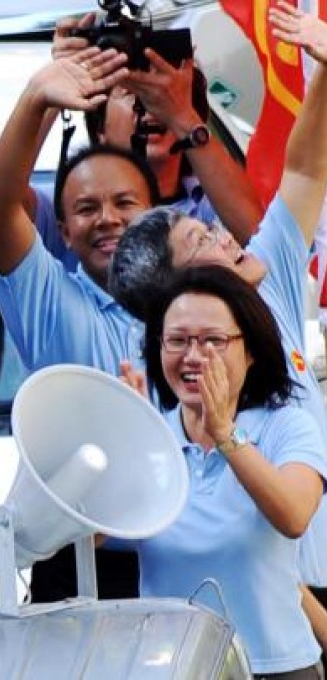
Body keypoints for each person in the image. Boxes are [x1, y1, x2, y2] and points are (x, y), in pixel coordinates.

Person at [108, 1, 327, 595]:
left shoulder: (265, 275)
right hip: (266, 594)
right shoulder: (179, 388)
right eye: (202, 239)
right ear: (175, 299)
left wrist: (324, 68)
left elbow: (305, 171)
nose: (226, 235)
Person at [0, 47, 153, 602]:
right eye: (86, 209)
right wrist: (37, 101)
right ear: (64, 228)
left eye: (125, 202)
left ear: (155, 213)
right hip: (78, 561)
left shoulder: (191, 306)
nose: (107, 219)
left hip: (176, 558)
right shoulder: (49, 300)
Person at [125, 265, 325, 678]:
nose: (194, 356)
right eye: (177, 341)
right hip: (173, 670)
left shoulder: (286, 425)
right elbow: (91, 535)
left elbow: (293, 516)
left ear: (249, 350)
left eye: (213, 340)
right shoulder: (151, 434)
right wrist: (126, 436)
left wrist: (225, 435)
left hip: (276, 667)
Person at [33, 14, 262, 272]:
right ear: (99, 126)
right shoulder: (72, 208)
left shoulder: (212, 207)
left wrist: (183, 116)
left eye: (158, 96)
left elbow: (260, 244)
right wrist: (53, 85)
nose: (148, 108)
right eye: (131, 93)